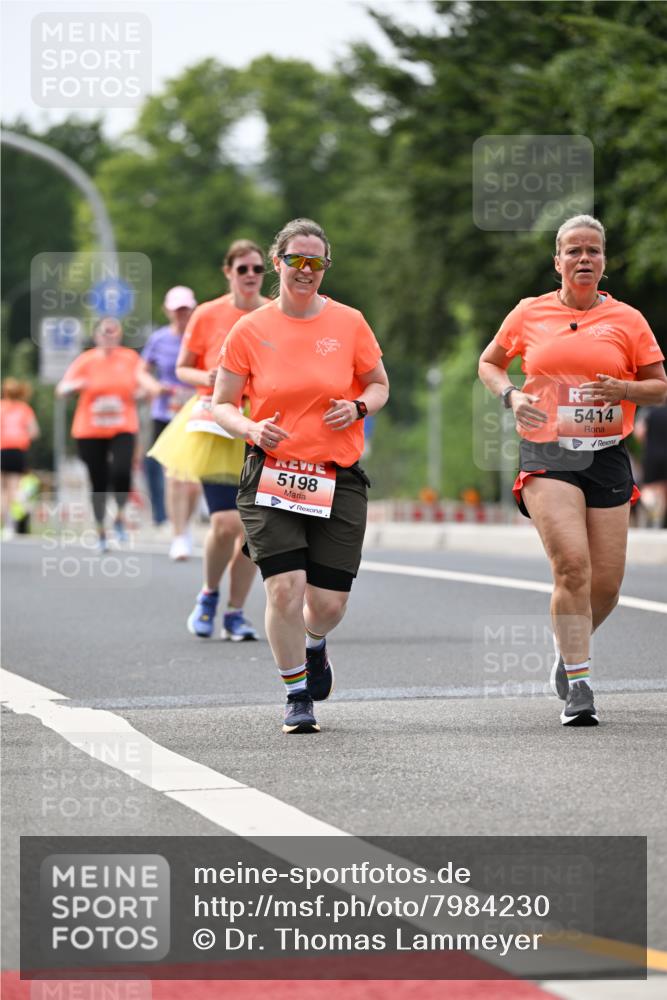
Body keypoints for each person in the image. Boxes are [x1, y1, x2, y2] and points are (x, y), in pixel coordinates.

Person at [478, 214, 667, 727]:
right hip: (549, 449)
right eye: (574, 251)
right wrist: (511, 396)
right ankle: (579, 685)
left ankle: (568, 649)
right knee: (572, 567)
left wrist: (624, 391)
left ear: (604, 262)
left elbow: (659, 385)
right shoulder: (528, 312)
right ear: (557, 260)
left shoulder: (628, 320)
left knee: (606, 586)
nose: (585, 259)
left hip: (606, 451)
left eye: (594, 251)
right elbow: (490, 362)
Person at [213, 218, 389, 734]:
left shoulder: (350, 323)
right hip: (271, 474)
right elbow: (222, 402)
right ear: (278, 262)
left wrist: (358, 407)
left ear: (325, 267)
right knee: (285, 590)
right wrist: (249, 426)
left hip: (337, 474)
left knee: (327, 605)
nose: (306, 270)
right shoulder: (249, 330)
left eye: (317, 262)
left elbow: (379, 384)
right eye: (297, 260)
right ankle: (295, 693)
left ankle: (315, 645)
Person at [149, 240, 267, 640]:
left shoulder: (274, 313)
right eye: (243, 269)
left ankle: (235, 613)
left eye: (257, 269)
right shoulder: (207, 314)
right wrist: (208, 379)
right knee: (225, 523)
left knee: (255, 530)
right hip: (216, 424)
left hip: (263, 425)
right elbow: (183, 368)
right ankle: (209, 594)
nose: (251, 276)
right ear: (228, 272)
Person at [56, 317, 162, 552]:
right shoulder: (85, 361)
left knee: (122, 471)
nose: (109, 336)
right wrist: (74, 386)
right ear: (96, 336)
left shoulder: (130, 359)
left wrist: (144, 393)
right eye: (105, 332)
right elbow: (61, 389)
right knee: (98, 480)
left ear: (119, 335)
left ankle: (120, 516)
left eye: (114, 332)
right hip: (89, 429)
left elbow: (145, 386)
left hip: (123, 426)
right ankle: (101, 530)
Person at [142, 286, 200, 560]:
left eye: (186, 309)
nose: (182, 315)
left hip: (194, 413)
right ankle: (178, 534)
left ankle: (184, 525)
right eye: (177, 310)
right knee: (172, 475)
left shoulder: (201, 338)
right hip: (165, 414)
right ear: (167, 311)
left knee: (194, 481)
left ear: (193, 309)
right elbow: (141, 372)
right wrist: (154, 387)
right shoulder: (158, 339)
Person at [1, 378, 40, 537]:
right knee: (13, 488)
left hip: (2, 449)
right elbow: (34, 432)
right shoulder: (24, 409)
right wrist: (22, 436)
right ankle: (10, 525)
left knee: (2, 490)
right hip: (17, 451)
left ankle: (5, 523)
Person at [634, 404, 667, 528]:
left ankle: (651, 511)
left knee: (650, 487)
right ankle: (660, 519)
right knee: (664, 488)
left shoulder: (647, 411)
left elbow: (639, 433)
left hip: (652, 454)